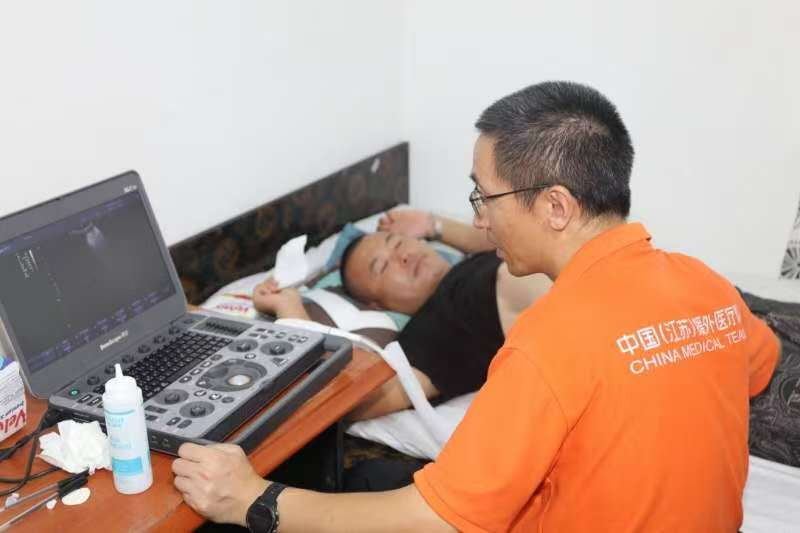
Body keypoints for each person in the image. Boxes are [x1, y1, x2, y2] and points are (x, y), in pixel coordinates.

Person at [173, 81, 780, 532]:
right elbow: (758, 365)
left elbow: (438, 516)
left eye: (484, 196)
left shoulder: (550, 342)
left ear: (557, 207)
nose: (480, 218)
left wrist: (255, 500)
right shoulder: (703, 282)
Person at [253, 214, 552, 420]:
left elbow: (501, 238)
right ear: (378, 305)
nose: (404, 256)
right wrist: (290, 311)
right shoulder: (432, 333)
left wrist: (433, 225)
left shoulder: (477, 258)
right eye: (382, 267)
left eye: (398, 243)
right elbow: (338, 402)